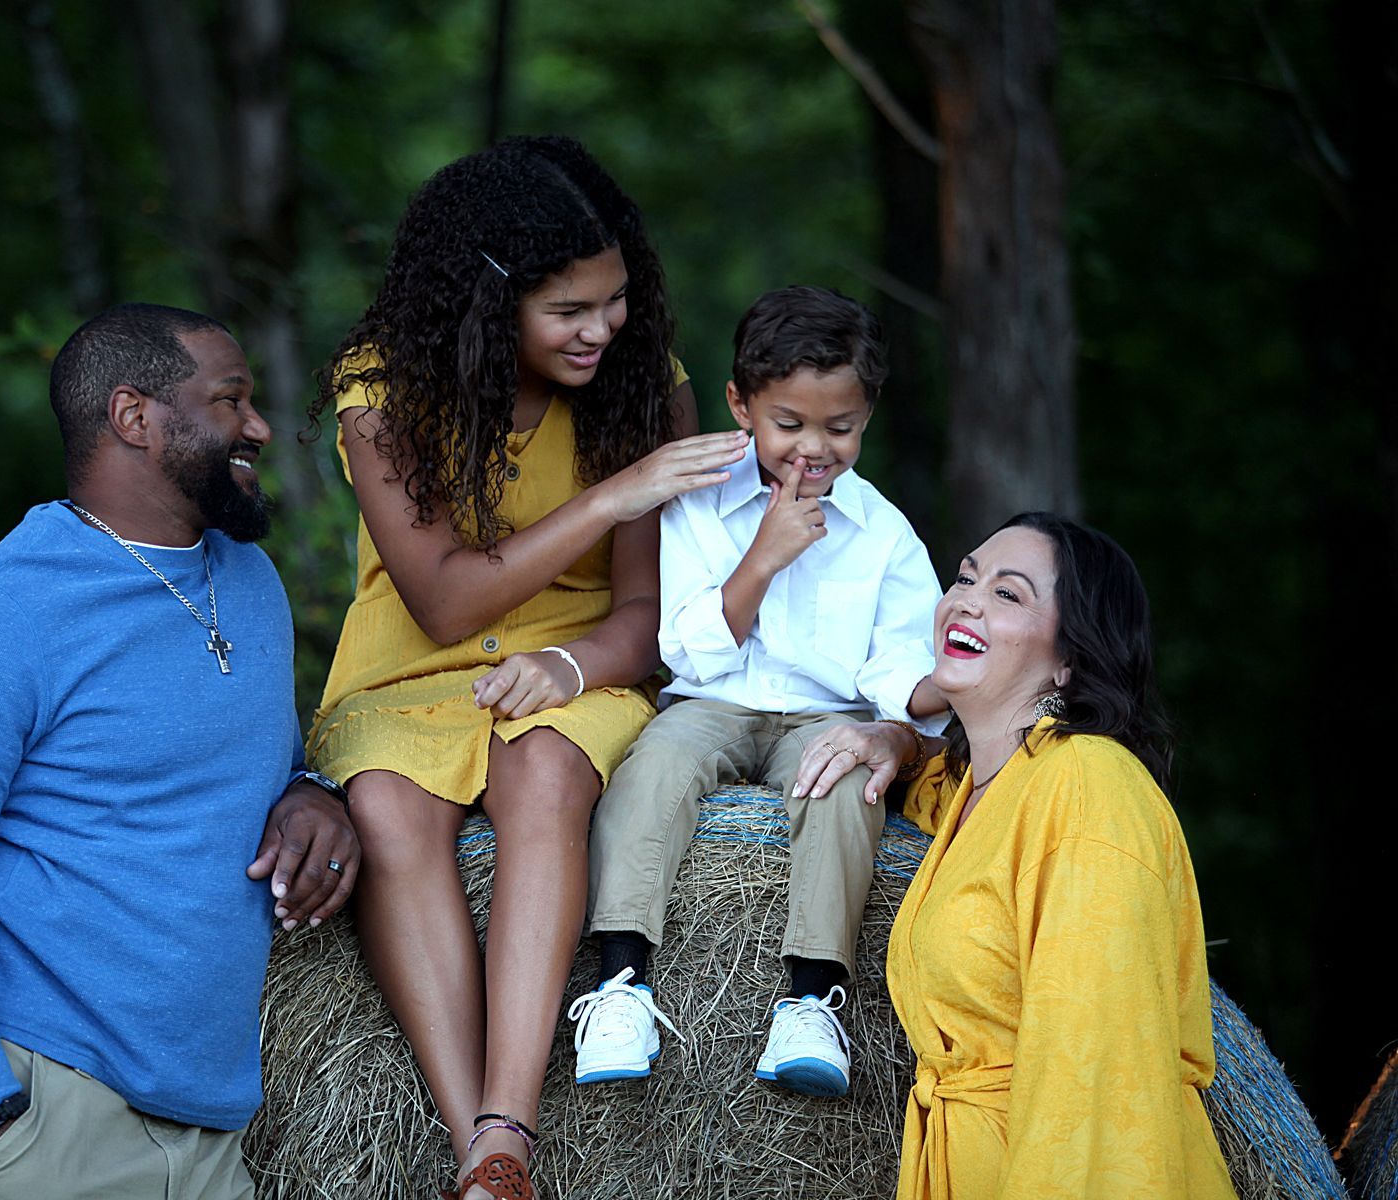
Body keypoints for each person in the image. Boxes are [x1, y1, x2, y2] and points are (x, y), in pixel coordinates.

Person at [305, 136, 746, 1200]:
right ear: (486, 305)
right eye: (569, 312)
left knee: (546, 777)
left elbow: (645, 622)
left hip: (580, 663)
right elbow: (444, 598)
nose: (603, 329)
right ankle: (479, 1155)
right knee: (390, 810)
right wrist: (607, 497)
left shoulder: (648, 388)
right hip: (410, 673)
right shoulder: (381, 392)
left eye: (615, 300)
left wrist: (568, 664)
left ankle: (511, 1123)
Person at [0, 303, 360, 1200]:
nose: (260, 426)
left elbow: (234, 769)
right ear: (134, 418)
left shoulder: (248, 578)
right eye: (231, 400)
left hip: (203, 1135)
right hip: (29, 1114)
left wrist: (310, 789)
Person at [569, 285, 949, 1097]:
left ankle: (812, 1002)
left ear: (867, 418)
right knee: (653, 770)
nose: (814, 448)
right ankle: (620, 985)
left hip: (826, 714)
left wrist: (946, 690)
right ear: (740, 404)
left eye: (839, 428)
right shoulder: (700, 499)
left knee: (846, 781)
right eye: (791, 424)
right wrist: (764, 557)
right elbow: (682, 648)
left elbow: (893, 677)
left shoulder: (884, 534)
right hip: (709, 702)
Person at [789, 512, 1237, 1198]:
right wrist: (901, 741)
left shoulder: (1090, 788)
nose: (964, 598)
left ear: (1070, 658)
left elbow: (1093, 1078)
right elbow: (940, 799)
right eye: (965, 576)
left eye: (1008, 593)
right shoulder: (987, 787)